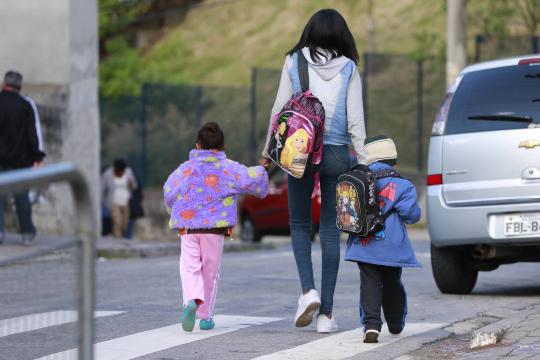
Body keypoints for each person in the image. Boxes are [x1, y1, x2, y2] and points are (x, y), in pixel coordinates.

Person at [261, 9, 367, 333]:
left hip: (299, 153)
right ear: (341, 35)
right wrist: (365, 162)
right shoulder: (349, 68)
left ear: (310, 32)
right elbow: (355, 122)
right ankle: (327, 316)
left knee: (299, 223)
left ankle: (308, 291)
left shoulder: (294, 61)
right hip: (335, 153)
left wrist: (269, 151)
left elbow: (280, 109)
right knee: (332, 231)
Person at [164, 122, 268, 332]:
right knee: (210, 272)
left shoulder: (186, 168)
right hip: (215, 229)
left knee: (189, 267)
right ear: (223, 146)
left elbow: (169, 191)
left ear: (197, 145)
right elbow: (252, 179)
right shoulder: (228, 168)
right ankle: (205, 317)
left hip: (188, 228)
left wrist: (173, 208)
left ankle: (191, 300)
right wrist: (264, 168)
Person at [344, 135, 421, 344]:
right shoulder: (403, 185)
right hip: (392, 247)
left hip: (364, 244)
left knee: (369, 284)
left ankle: (371, 326)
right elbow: (411, 215)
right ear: (393, 159)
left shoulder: (358, 180)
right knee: (392, 283)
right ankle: (395, 323)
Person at [0, 70, 45, 245]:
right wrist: (38, 156)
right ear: (19, 86)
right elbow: (34, 132)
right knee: (21, 197)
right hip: (20, 160)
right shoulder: (26, 104)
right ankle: (27, 233)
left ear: (4, 84)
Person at [101, 159, 138, 238]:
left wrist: (131, 183)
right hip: (113, 202)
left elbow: (135, 186)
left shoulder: (128, 172)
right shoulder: (108, 174)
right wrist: (103, 202)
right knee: (117, 222)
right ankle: (117, 241)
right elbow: (102, 189)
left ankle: (120, 236)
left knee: (125, 223)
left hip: (125, 202)